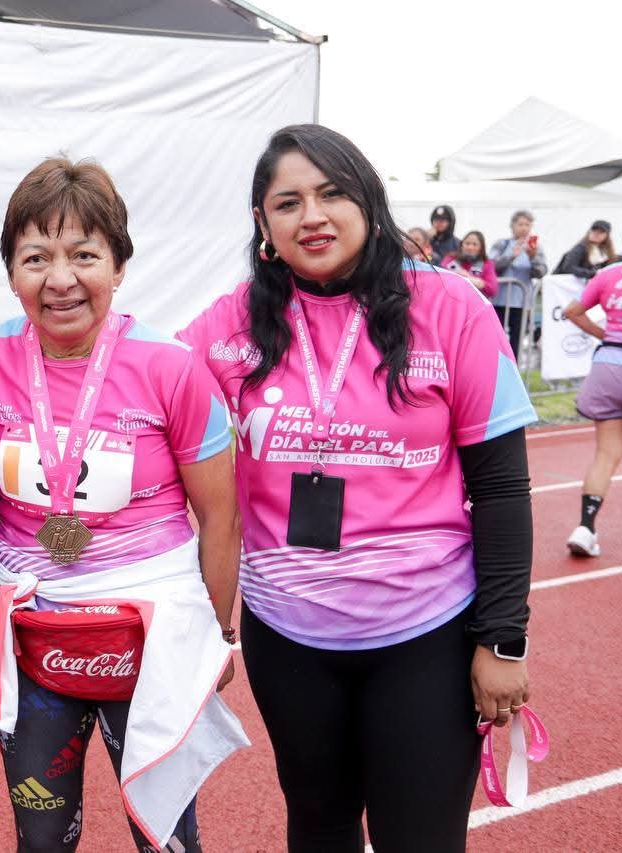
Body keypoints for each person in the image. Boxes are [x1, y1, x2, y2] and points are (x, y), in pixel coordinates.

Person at [178, 124, 536, 852]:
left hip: (426, 637)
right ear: (263, 225)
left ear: (369, 202)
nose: (312, 215)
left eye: (332, 193)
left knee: (422, 839)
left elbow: (501, 486)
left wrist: (503, 637)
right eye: (288, 202)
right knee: (317, 829)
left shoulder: (452, 308)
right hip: (289, 639)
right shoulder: (224, 328)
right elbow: (138, 397)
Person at [0, 156, 247, 853]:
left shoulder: (171, 366)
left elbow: (220, 517)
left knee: (166, 837)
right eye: (36, 257)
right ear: (11, 273)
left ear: (118, 265)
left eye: (84, 254)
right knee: (41, 839)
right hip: (34, 637)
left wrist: (219, 633)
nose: (60, 280)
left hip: (148, 637)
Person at [563, 260, 622, 557]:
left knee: (606, 454)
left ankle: (585, 527)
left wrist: (607, 337)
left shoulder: (609, 274)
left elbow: (571, 312)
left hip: (608, 365)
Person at [490, 210, 548, 358]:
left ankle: (513, 371)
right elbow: (491, 267)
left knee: (516, 340)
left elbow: (541, 272)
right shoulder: (501, 244)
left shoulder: (535, 248)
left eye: (527, 225)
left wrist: (532, 258)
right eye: (520, 224)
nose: (523, 228)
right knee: (495, 338)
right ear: (512, 226)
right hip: (499, 301)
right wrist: (511, 256)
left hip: (521, 303)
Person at [442, 230, 498, 298]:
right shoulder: (450, 259)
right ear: (461, 245)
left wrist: (470, 279)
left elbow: (492, 289)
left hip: (474, 303)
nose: (470, 247)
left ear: (481, 248)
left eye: (475, 244)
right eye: (467, 243)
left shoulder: (487, 263)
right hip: (452, 299)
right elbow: (441, 276)